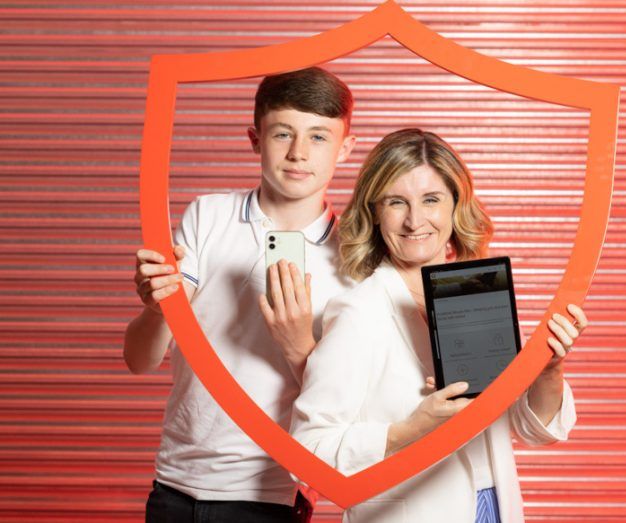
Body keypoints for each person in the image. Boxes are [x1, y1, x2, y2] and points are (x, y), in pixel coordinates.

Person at [290, 129, 587, 523]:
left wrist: (547, 369)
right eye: (397, 202)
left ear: (454, 205)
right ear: (375, 211)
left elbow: (532, 429)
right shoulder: (359, 311)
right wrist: (410, 429)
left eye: (431, 199)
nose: (415, 221)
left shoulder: (476, 293)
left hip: (495, 508)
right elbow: (307, 452)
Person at [123, 67, 356, 522]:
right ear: (255, 138)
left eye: (319, 137)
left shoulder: (354, 255)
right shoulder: (208, 216)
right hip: (173, 484)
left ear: (345, 148)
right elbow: (139, 359)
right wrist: (157, 311)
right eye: (283, 133)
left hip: (269, 496)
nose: (298, 153)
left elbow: (348, 400)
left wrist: (298, 345)